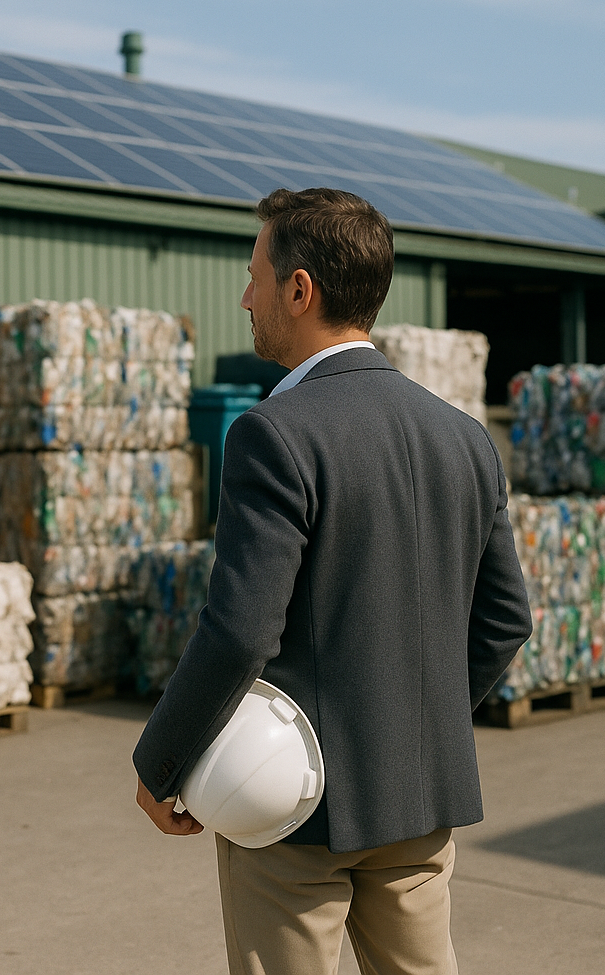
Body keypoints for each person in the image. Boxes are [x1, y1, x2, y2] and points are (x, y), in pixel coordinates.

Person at [133, 187, 532, 975]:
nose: (245, 297)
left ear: (299, 289)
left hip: (293, 810)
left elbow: (243, 628)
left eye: (254, 276)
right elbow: (506, 619)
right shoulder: (466, 439)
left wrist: (160, 763)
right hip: (420, 797)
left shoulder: (273, 435)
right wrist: (419, 722)